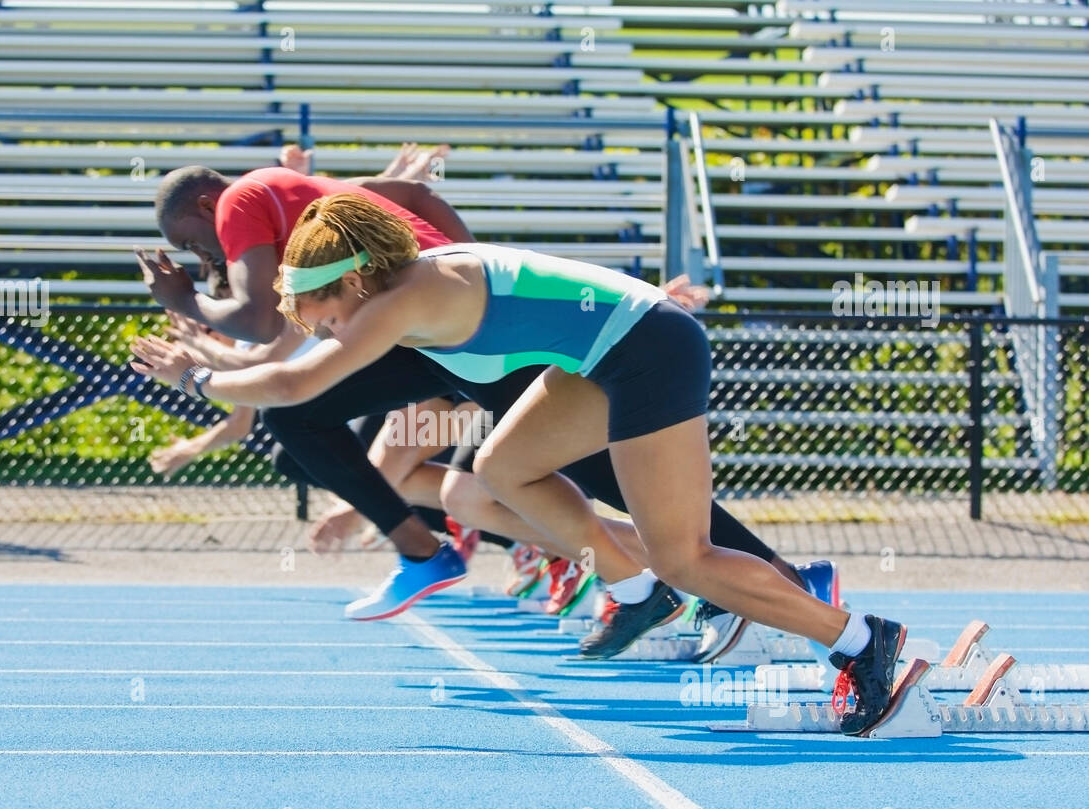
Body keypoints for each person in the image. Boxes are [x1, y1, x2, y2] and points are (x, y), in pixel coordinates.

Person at [130, 194, 908, 737]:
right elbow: (292, 363)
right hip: (609, 353)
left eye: (327, 315)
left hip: (647, 355)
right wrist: (214, 350)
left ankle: (858, 641)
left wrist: (195, 378)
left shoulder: (406, 295)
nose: (327, 329)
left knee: (686, 553)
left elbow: (298, 383)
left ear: (356, 281)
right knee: (500, 466)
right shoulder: (404, 285)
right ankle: (634, 585)